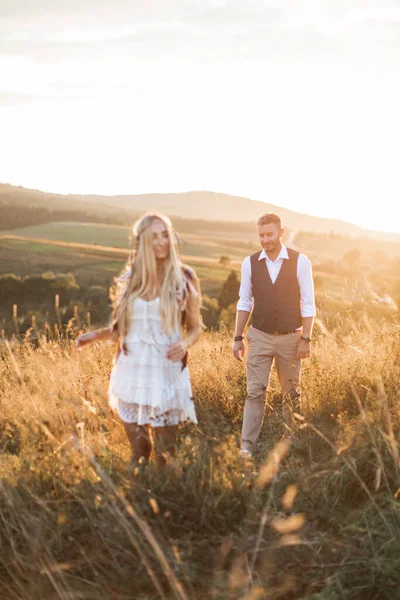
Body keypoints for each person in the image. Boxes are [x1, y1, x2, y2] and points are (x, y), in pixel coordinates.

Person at [76, 213, 202, 467]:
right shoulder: (131, 279)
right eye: (154, 236)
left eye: (165, 235)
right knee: (139, 451)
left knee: (166, 455)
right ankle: (135, 501)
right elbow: (121, 329)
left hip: (166, 374)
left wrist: (184, 344)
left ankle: (166, 502)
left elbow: (196, 327)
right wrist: (93, 336)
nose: (161, 242)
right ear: (142, 241)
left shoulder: (184, 277)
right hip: (130, 373)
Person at [232, 212, 316, 458]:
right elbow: (244, 302)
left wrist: (306, 339)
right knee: (255, 392)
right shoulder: (249, 263)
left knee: (291, 394)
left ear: (281, 233)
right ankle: (247, 446)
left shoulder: (300, 262)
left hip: (291, 337)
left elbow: (309, 304)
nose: (265, 239)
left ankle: (290, 443)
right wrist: (238, 337)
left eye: (269, 234)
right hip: (259, 336)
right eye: (261, 235)